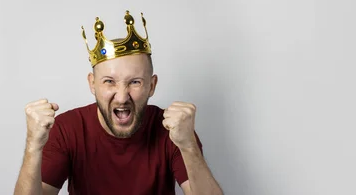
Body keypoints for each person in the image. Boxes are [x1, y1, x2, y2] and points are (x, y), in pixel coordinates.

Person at [14, 11, 223, 195]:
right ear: (92, 84)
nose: (122, 97)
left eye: (135, 82)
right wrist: (33, 145)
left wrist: (188, 145)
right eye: (109, 82)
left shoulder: (174, 131)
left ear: (152, 85)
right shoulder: (66, 129)